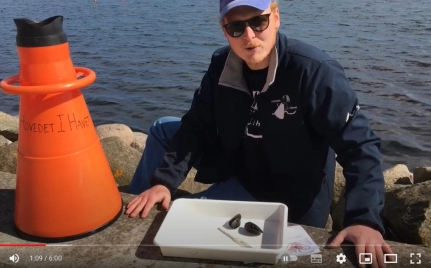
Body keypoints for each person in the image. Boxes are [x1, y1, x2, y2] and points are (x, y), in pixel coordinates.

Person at [125, 0, 393, 267]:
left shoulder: (314, 71)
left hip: (283, 196)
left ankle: (157, 216)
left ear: (276, 17)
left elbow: (360, 145)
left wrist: (364, 219)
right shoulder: (221, 64)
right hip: (241, 165)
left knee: (181, 224)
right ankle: (138, 209)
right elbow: (196, 124)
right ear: (224, 30)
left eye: (258, 22)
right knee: (163, 127)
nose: (249, 36)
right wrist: (163, 182)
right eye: (236, 27)